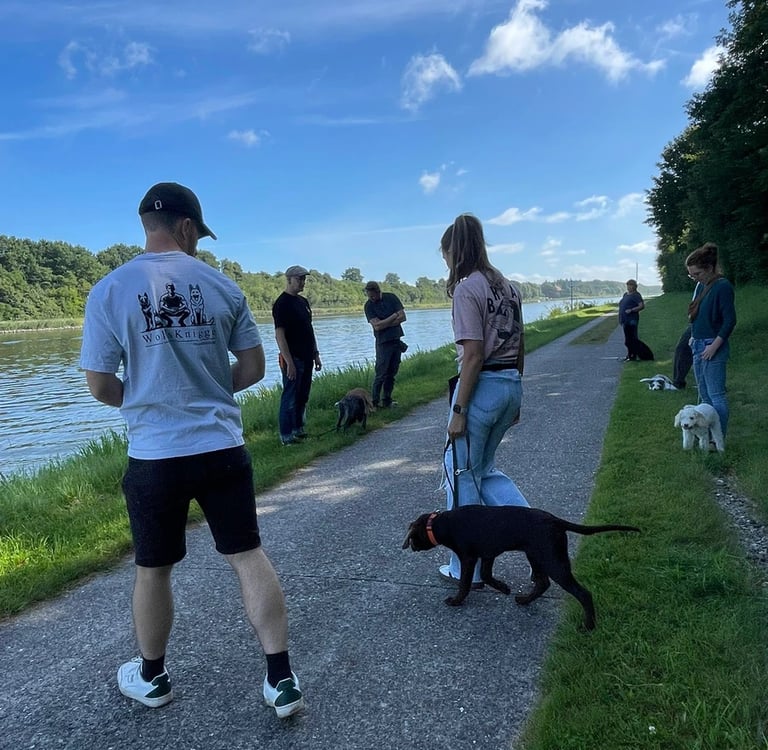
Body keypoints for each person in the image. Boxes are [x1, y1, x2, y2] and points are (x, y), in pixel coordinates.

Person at [79, 182, 303, 718]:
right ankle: (281, 679)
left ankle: (153, 677)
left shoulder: (110, 289)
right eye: (198, 234)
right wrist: (205, 390)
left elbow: (100, 385)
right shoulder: (222, 287)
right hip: (221, 447)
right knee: (247, 554)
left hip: (155, 455)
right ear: (184, 227)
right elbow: (251, 369)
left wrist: (149, 399)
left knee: (153, 569)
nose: (199, 243)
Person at [438, 213, 530, 585]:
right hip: (509, 382)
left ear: (454, 250)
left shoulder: (467, 289)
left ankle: (465, 569)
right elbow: (520, 343)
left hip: (483, 387)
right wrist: (516, 398)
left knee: (458, 473)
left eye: (444, 254)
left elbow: (473, 355)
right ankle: (536, 530)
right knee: (484, 470)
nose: (444, 261)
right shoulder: (508, 287)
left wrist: (459, 410)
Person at [685, 242, 736, 437]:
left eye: (697, 274)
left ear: (709, 268)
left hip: (712, 345)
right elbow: (696, 315)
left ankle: (718, 437)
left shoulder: (723, 286)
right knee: (704, 394)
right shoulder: (700, 286)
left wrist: (714, 346)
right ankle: (705, 435)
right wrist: (692, 336)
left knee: (716, 396)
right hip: (697, 344)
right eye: (691, 275)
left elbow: (730, 321)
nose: (694, 278)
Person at [272, 266, 322, 445]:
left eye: (304, 279)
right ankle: (286, 435)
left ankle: (298, 429)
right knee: (290, 396)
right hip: (293, 358)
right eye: (299, 279)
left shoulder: (303, 302)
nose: (302, 282)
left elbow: (309, 330)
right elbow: (279, 335)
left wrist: (316, 354)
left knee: (303, 395)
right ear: (289, 279)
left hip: (308, 355)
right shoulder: (282, 304)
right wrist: (289, 362)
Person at [363, 280, 407, 408]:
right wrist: (394, 316)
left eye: (372, 295)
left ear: (378, 292)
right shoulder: (368, 306)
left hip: (396, 339)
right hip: (382, 342)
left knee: (392, 372)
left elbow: (403, 317)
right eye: (368, 296)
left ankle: (387, 400)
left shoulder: (391, 298)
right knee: (380, 373)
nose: (371, 298)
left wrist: (384, 323)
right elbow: (376, 327)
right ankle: (375, 402)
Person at [618, 279, 645, 361]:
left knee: (632, 339)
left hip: (632, 320)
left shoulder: (636, 295)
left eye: (631, 285)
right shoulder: (625, 294)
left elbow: (641, 306)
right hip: (624, 320)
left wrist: (632, 310)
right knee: (628, 339)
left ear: (634, 286)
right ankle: (630, 355)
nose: (629, 287)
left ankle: (633, 355)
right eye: (628, 285)